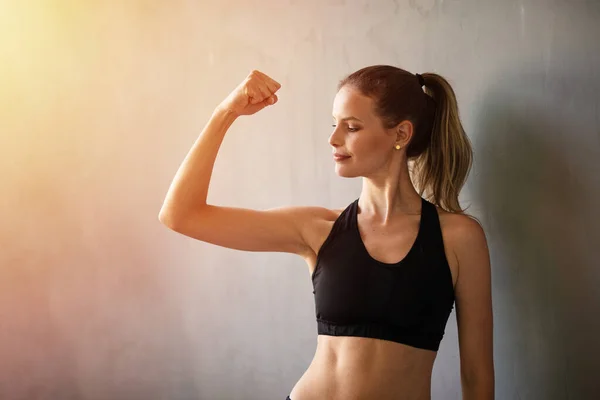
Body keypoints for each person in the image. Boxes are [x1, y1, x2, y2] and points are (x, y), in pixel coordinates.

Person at [158, 66, 494, 400]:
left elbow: (477, 376)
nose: (333, 139)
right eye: (335, 125)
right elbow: (181, 215)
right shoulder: (318, 230)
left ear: (401, 135)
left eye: (351, 127)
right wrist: (225, 113)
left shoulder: (458, 238)